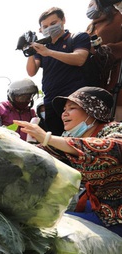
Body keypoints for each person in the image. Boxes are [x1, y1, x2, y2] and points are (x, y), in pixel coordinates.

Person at [14, 86, 122, 237]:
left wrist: (47, 138)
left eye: (72, 108)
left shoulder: (115, 130)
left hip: (115, 219)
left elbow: (111, 148)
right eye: (64, 109)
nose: (64, 113)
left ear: (92, 112)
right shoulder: (72, 141)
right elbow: (41, 154)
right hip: (92, 210)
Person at [26, 7, 91, 136]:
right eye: (45, 26)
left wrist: (49, 53)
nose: (49, 28)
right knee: (55, 140)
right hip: (51, 101)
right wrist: (29, 51)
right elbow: (32, 71)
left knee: (77, 139)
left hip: (74, 101)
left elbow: (80, 59)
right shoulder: (43, 47)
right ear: (40, 29)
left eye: (53, 23)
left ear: (63, 20)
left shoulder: (77, 37)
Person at [86, 0, 122, 121]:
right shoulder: (91, 27)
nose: (91, 7)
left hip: (117, 75)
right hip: (98, 78)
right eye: (89, 5)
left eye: (93, 4)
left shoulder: (118, 16)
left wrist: (109, 50)